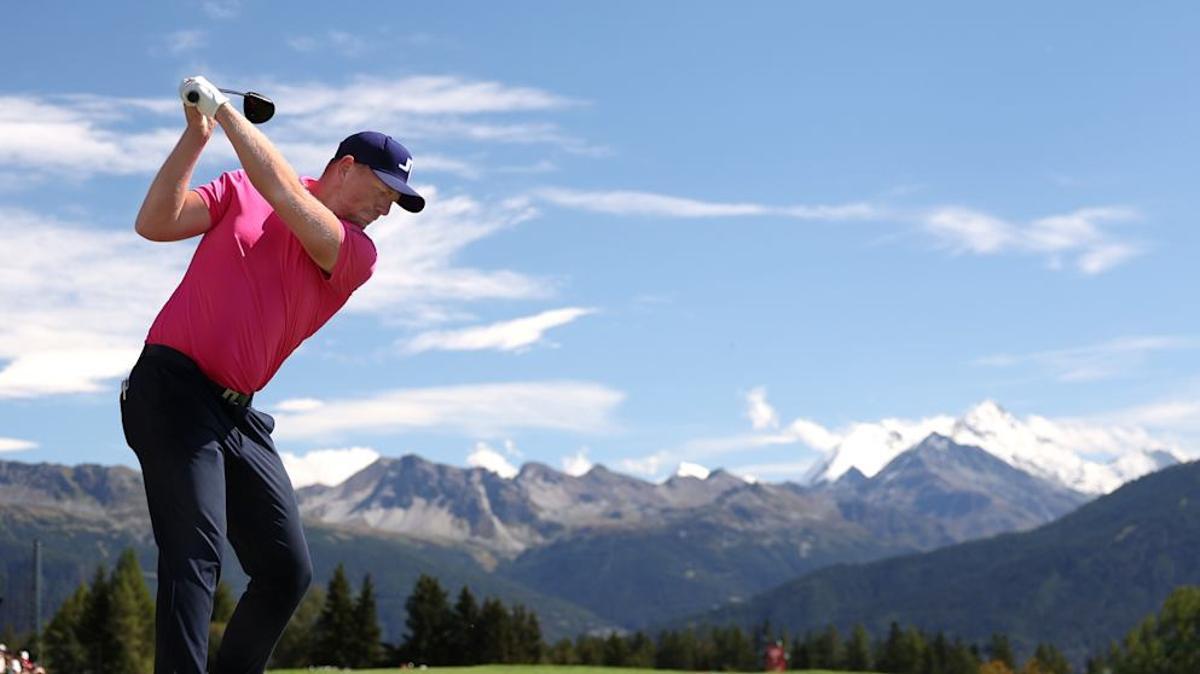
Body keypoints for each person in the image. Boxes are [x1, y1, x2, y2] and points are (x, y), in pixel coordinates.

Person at [119, 76, 424, 674]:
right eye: (386, 188)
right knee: (195, 551)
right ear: (345, 166)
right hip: (171, 388)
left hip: (235, 414)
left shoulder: (354, 252)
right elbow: (154, 223)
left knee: (287, 569)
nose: (389, 205)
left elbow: (285, 195)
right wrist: (197, 135)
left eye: (398, 199)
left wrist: (228, 115)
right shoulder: (241, 187)